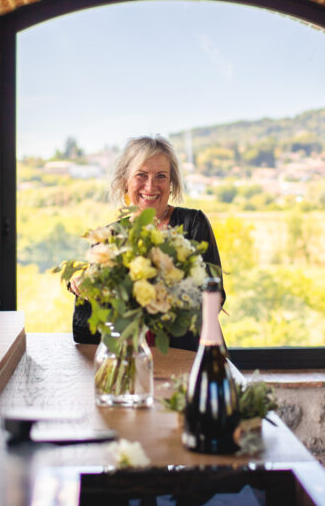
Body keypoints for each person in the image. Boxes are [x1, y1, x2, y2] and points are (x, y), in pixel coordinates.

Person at [71, 135, 224, 351]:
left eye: (161, 176)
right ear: (125, 181)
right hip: (128, 361)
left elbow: (214, 300)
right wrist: (84, 291)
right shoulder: (107, 239)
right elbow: (87, 335)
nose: (150, 186)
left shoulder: (193, 224)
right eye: (141, 175)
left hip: (192, 358)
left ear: (171, 183)